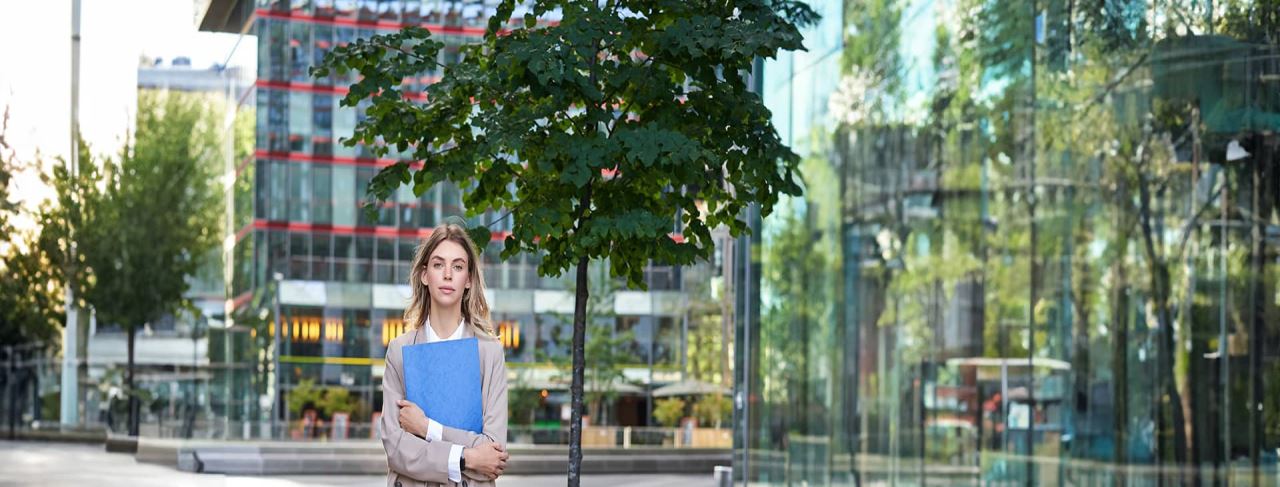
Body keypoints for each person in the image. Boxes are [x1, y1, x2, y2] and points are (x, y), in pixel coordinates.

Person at [379, 222, 510, 487]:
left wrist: (427, 429)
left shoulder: (489, 352)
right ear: (425, 275)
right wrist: (467, 458)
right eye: (439, 265)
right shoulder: (400, 351)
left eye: (458, 266)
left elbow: (492, 453)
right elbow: (397, 450)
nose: (448, 274)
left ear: (469, 279)